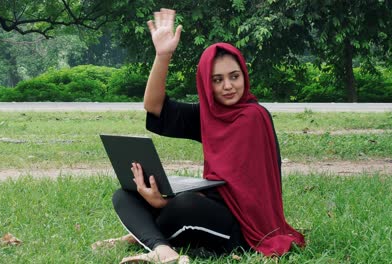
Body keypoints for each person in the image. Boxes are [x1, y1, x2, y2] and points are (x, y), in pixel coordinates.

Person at [92, 8, 305, 263]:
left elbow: (244, 192)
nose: (227, 86)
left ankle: (145, 235)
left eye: (234, 77)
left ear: (244, 77)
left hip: (241, 227)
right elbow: (154, 106)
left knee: (186, 206)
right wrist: (163, 55)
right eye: (217, 80)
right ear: (206, 83)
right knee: (125, 195)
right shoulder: (210, 115)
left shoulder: (253, 117)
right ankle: (162, 249)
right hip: (206, 208)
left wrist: (164, 203)